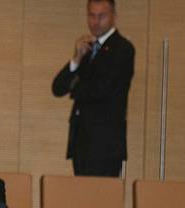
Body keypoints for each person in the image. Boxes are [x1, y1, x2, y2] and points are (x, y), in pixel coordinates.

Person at [51, 0, 135, 177]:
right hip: (82, 142)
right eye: (91, 15)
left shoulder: (122, 48)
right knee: (81, 200)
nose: (96, 21)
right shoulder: (87, 49)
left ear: (114, 16)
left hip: (105, 145)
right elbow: (58, 88)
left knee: (101, 201)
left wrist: (75, 87)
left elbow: (101, 89)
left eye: (102, 16)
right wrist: (76, 58)